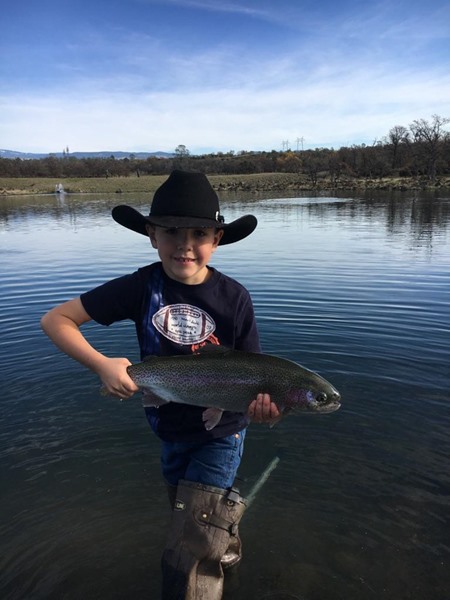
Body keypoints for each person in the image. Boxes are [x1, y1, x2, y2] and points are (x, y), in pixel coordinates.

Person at [41, 169, 280, 600]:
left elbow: (258, 374)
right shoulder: (141, 287)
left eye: (199, 232)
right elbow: (56, 320)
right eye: (171, 231)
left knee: (191, 537)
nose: (185, 244)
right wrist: (101, 364)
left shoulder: (235, 298)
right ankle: (223, 551)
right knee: (194, 514)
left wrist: (264, 407)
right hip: (167, 430)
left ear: (217, 239)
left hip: (221, 434)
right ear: (151, 234)